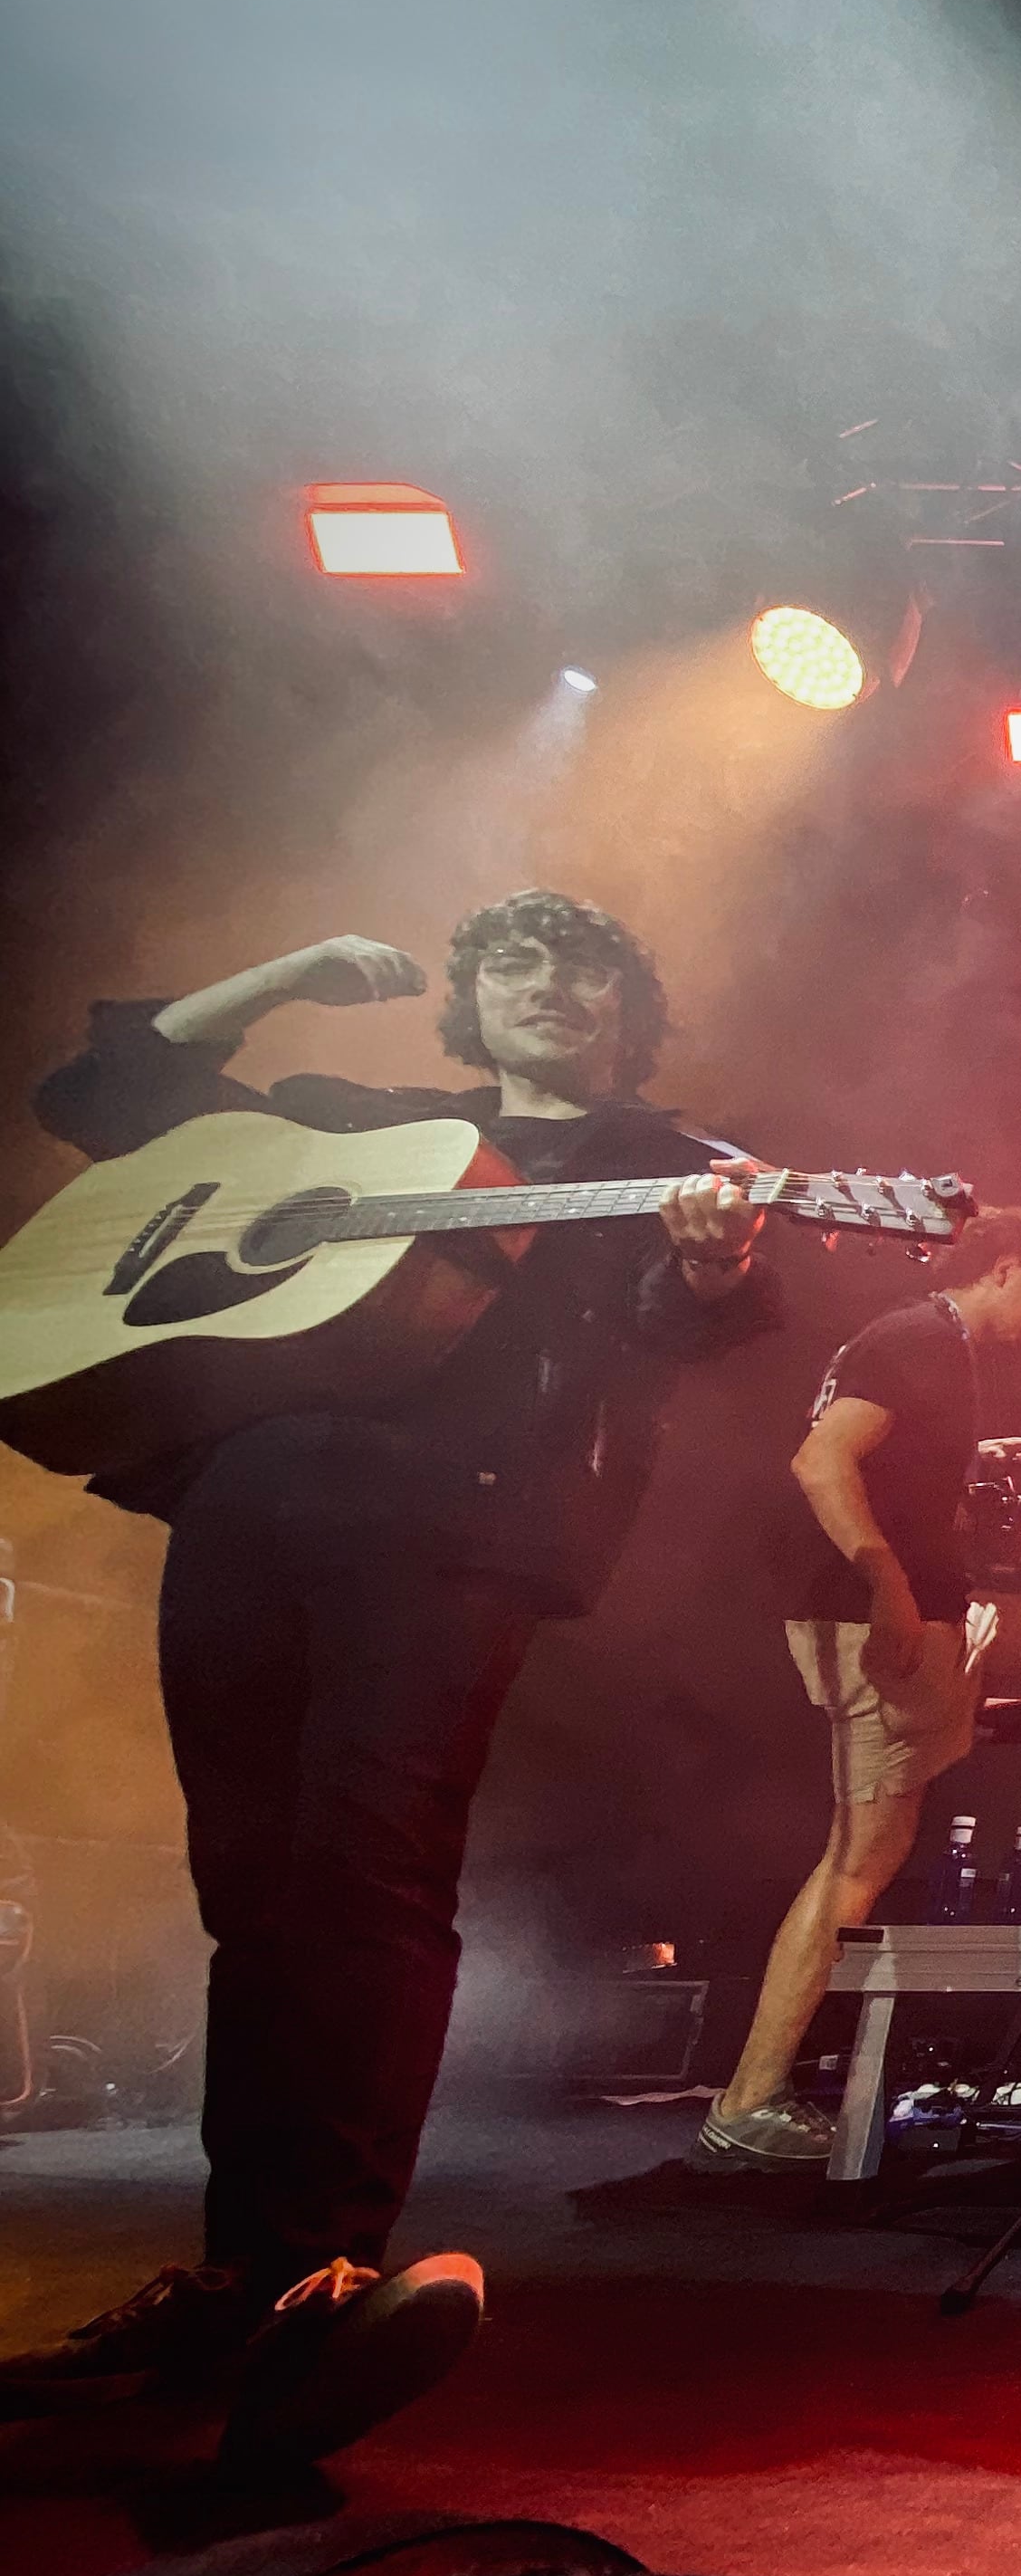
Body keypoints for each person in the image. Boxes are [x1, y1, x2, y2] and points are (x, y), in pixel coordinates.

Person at [1, 895, 778, 2467]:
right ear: (469, 1003)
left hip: (460, 1524)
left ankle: (324, 2268)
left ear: (633, 1013)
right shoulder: (376, 1123)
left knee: (367, 1869)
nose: (548, 986)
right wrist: (293, 967)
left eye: (583, 968)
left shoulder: (683, 1163)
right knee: (250, 1885)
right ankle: (240, 2269)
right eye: (514, 962)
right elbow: (100, 1093)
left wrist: (703, 1274)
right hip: (246, 1498)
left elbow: (684, 1332)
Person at [697, 1209, 1021, 2169]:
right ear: (1009, 1269)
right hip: (873, 1615)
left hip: (935, 1611)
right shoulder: (918, 1335)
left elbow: (904, 1481)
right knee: (859, 1855)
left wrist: (979, 1476)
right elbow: (821, 1459)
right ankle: (744, 2106)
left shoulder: (938, 1350)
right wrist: (883, 1580)